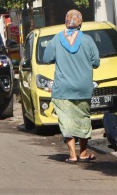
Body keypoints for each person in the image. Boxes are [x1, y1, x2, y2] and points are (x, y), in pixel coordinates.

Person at [42, 9, 100, 163]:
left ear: (66, 22)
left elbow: (46, 58)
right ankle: (83, 153)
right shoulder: (88, 40)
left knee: (66, 120)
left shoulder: (56, 39)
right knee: (83, 119)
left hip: (63, 89)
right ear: (80, 22)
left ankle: (72, 154)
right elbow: (96, 62)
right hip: (83, 88)